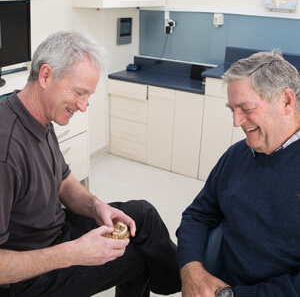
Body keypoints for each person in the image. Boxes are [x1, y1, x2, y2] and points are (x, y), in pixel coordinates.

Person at [0, 30, 181, 297]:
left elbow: (63, 181)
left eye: (89, 96)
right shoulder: (6, 151)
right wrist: (73, 253)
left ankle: (186, 280)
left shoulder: (38, 115)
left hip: (58, 231)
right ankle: (186, 286)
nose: (84, 106)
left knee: (142, 214)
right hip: (26, 279)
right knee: (139, 259)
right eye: (79, 92)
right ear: (46, 76)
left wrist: (97, 207)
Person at [177, 51, 300, 297]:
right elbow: (197, 215)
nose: (236, 121)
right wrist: (190, 268)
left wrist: (233, 295)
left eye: (246, 108)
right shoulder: (236, 156)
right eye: (231, 109)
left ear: (287, 101)